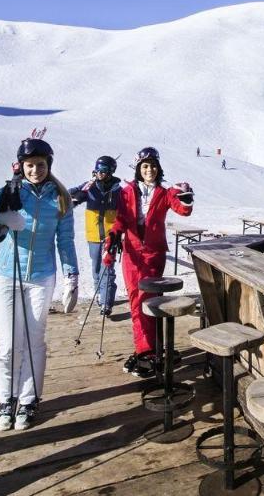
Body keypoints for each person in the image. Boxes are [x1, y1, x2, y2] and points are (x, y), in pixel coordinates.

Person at [0, 138, 78, 431]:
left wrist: (72, 276)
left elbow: (65, 241)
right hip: (8, 275)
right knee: (7, 344)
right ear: (22, 166)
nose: (35, 170)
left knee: (33, 341)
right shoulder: (11, 191)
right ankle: (6, 399)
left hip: (42, 277)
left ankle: (29, 399)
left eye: (40, 165)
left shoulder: (61, 197)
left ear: (48, 165)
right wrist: (0, 215)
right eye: (30, 165)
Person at [103, 147, 193, 377]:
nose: (149, 170)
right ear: (138, 169)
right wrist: (112, 240)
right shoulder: (127, 192)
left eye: (153, 166)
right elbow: (120, 221)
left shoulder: (164, 193)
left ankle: (152, 351)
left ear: (158, 168)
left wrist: (185, 196)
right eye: (145, 166)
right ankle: (145, 350)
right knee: (135, 301)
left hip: (153, 254)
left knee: (151, 301)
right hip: (132, 255)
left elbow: (183, 211)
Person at [69, 155, 122, 315]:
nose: (99, 173)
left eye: (104, 170)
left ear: (111, 171)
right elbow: (69, 197)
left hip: (110, 236)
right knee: (96, 269)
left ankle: (106, 303)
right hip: (93, 236)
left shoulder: (117, 190)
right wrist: (81, 191)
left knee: (107, 268)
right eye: (97, 169)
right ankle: (101, 293)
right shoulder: (90, 187)